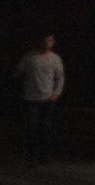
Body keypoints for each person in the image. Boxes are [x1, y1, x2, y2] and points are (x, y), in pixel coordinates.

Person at [16, 32, 65, 162]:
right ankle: (32, 155)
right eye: (44, 41)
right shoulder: (29, 57)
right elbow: (18, 72)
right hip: (31, 98)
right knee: (32, 128)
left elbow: (60, 77)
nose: (46, 44)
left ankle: (44, 156)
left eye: (49, 41)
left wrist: (57, 93)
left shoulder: (55, 58)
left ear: (53, 43)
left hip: (48, 98)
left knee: (45, 128)